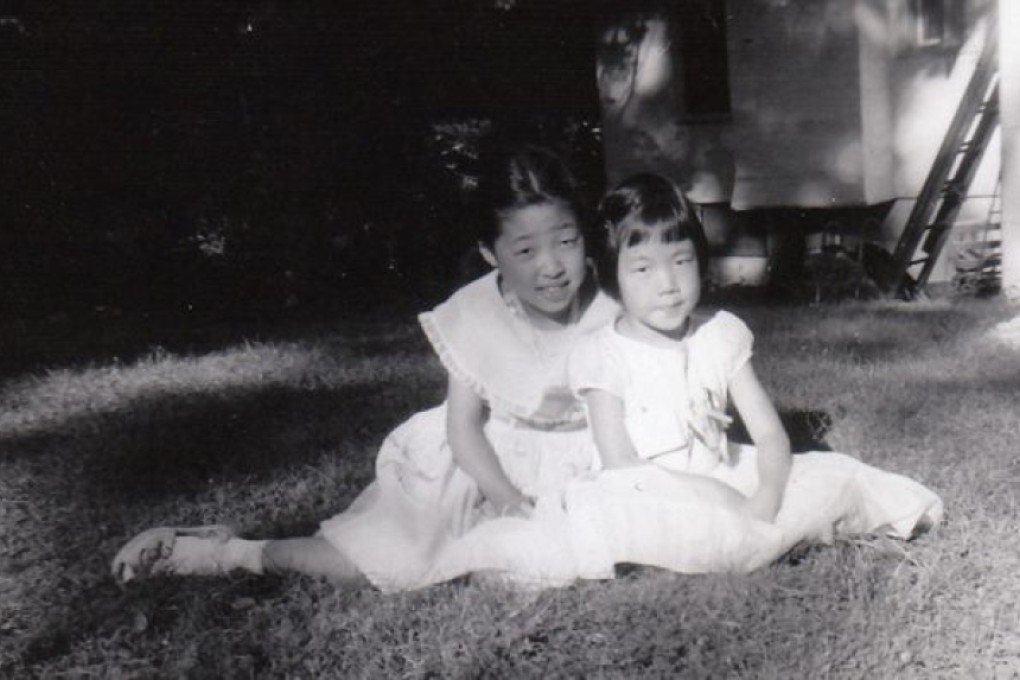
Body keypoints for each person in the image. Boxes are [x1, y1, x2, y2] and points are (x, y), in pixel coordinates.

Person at [111, 145, 620, 592]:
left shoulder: (610, 308)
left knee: (555, 565)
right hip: (477, 469)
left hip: (573, 470)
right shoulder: (477, 315)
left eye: (566, 242)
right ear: (491, 254)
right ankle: (221, 553)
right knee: (373, 566)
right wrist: (505, 499)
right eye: (526, 250)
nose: (551, 266)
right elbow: (463, 429)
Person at [413, 173, 944, 587]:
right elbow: (621, 465)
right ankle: (724, 543)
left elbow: (768, 436)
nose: (667, 285)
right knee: (618, 519)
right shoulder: (602, 354)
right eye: (642, 269)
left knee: (828, 481)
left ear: (702, 263)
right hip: (645, 488)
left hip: (721, 469)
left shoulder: (722, 335)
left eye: (681, 261)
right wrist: (713, 497)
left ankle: (746, 537)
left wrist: (767, 491)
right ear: (614, 277)